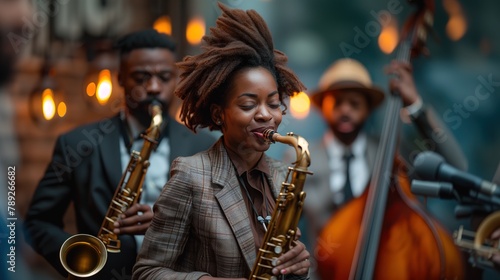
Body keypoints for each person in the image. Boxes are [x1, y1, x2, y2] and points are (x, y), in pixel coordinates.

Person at [133, 3, 310, 279]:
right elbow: (146, 272)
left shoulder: (281, 175)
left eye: (273, 104)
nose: (266, 115)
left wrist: (297, 268)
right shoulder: (190, 176)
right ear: (219, 114)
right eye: (249, 104)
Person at [23, 29, 216, 280]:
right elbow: (39, 221)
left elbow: (219, 228)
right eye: (141, 77)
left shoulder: (203, 145)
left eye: (165, 77)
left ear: (176, 80)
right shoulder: (77, 143)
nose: (154, 87)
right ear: (120, 79)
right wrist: (79, 261)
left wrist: (168, 224)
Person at [300, 58, 468, 278]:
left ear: (368, 109)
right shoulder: (301, 159)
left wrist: (415, 105)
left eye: (354, 103)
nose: (345, 110)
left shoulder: (391, 155)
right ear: (323, 107)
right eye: (338, 102)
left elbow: (455, 166)